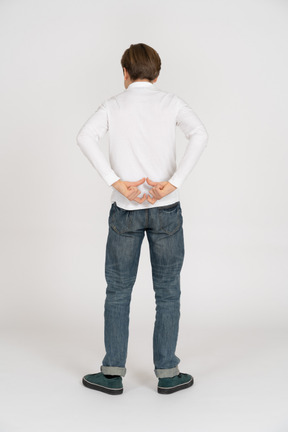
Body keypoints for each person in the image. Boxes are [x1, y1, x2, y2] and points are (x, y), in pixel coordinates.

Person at [76, 43, 209, 395]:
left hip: (125, 208)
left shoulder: (113, 105)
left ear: (124, 72)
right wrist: (174, 182)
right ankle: (167, 372)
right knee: (167, 293)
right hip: (167, 209)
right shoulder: (172, 102)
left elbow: (84, 137)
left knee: (118, 291)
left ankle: (112, 373)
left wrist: (116, 182)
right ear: (157, 73)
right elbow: (200, 134)